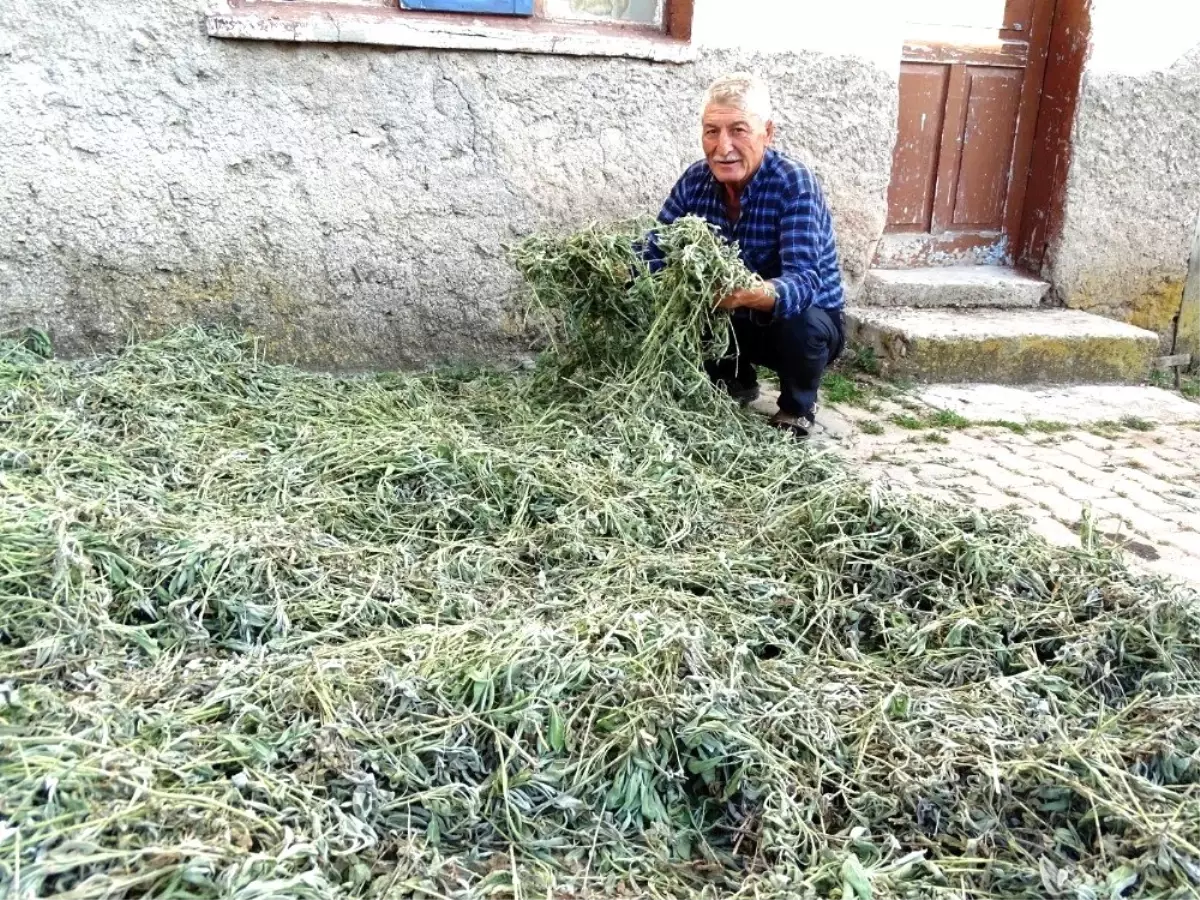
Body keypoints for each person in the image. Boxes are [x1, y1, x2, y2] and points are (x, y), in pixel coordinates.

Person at [655, 73, 846, 437]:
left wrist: (744, 292)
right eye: (711, 131)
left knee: (799, 322)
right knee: (683, 300)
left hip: (803, 322)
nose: (722, 146)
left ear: (767, 133)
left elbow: (804, 282)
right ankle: (734, 380)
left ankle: (796, 406)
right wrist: (620, 267)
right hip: (733, 313)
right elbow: (657, 244)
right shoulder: (696, 181)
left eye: (738, 130)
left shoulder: (793, 182)